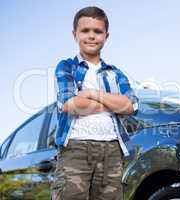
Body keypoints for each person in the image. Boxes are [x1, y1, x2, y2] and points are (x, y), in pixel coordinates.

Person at [52, 6, 138, 200]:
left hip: (112, 150)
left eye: (97, 31)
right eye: (85, 31)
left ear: (106, 36)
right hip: (76, 148)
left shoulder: (116, 73)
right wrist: (113, 104)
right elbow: (69, 104)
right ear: (75, 34)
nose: (91, 36)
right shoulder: (66, 66)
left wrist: (92, 93)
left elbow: (131, 106)